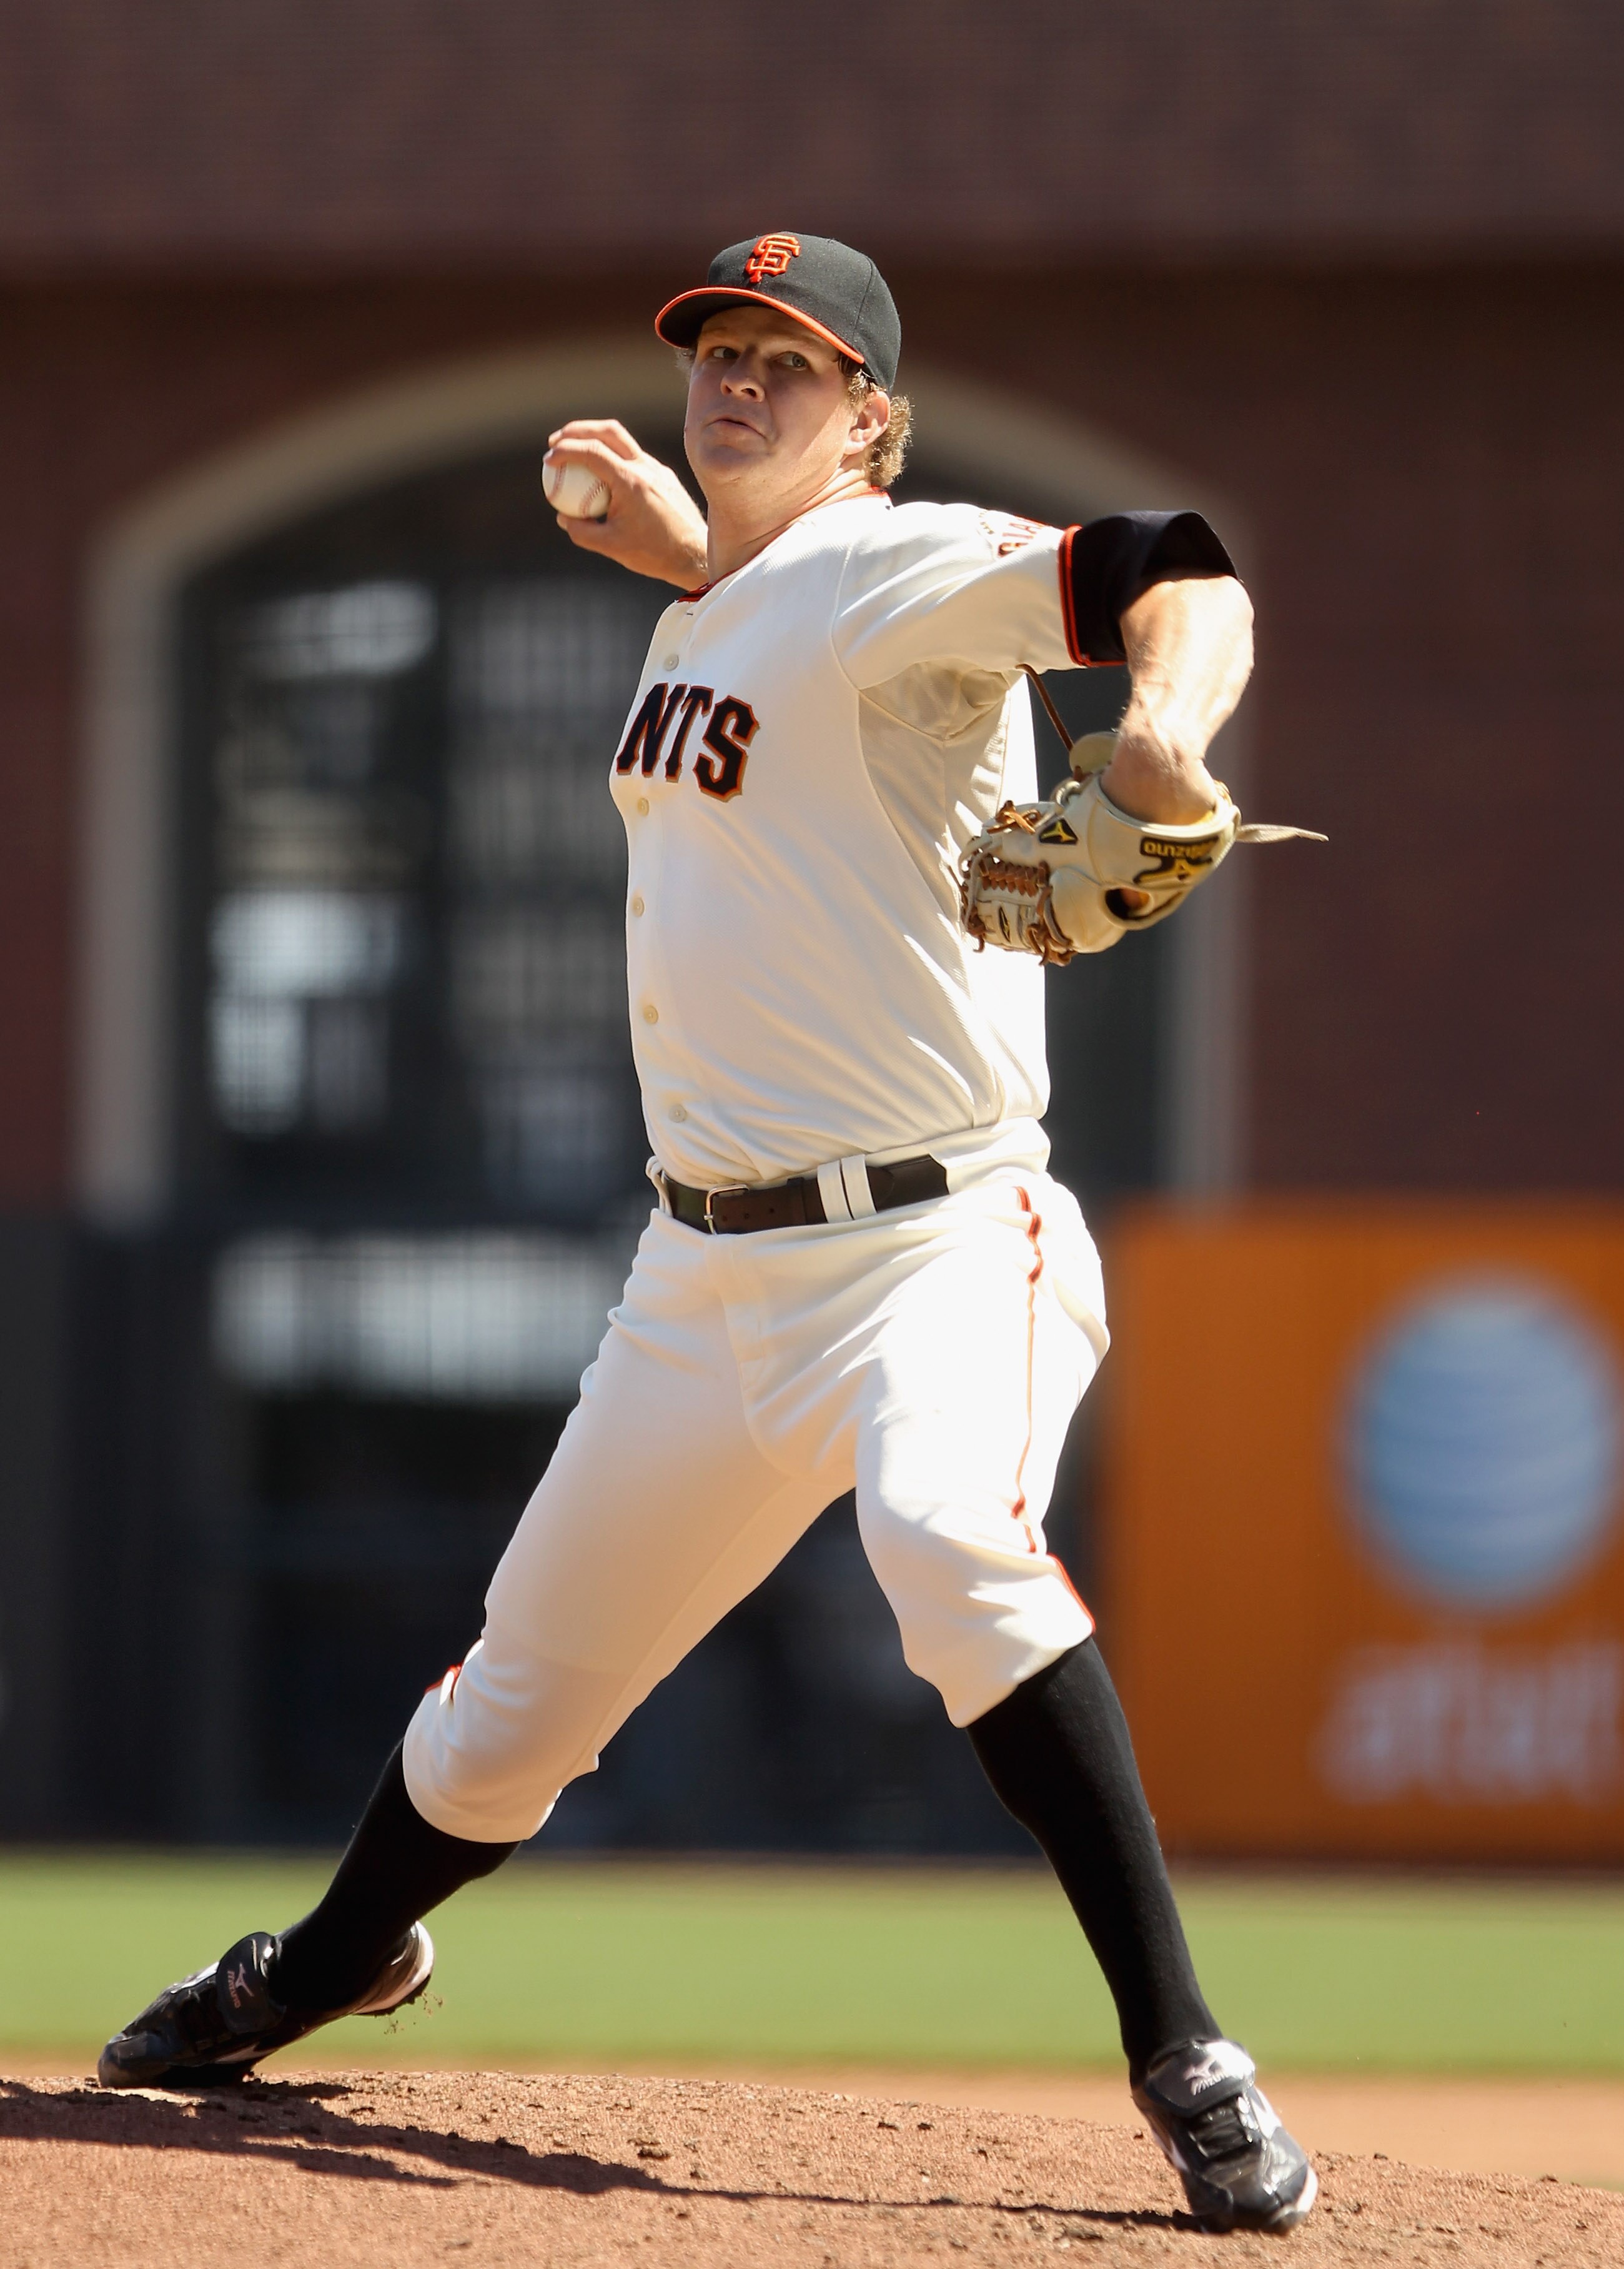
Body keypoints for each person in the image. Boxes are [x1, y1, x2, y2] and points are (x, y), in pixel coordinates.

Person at [100, 233, 1315, 2236]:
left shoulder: (900, 557)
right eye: (721, 350)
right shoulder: (738, 600)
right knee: (508, 1719)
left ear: (871, 422)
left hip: (938, 1240)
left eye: (791, 363)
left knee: (949, 1548)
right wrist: (696, 561)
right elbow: (790, 650)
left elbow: (1174, 560)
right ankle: (332, 1965)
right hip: (703, 1276)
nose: (738, 379)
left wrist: (1168, 731)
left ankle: (1186, 2053)